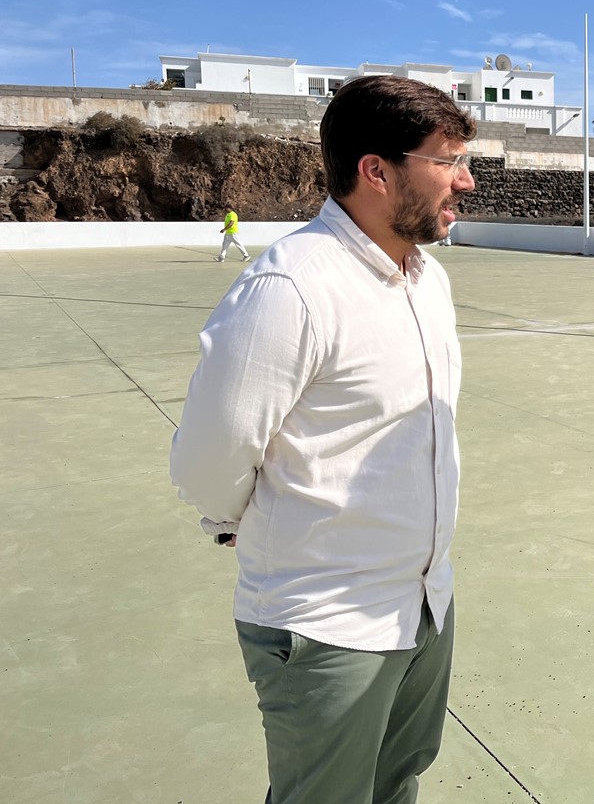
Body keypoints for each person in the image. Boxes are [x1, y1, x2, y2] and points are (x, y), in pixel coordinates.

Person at [170, 75, 477, 804]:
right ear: (375, 170)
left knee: (395, 784)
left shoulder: (426, 280)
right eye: (448, 159)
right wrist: (232, 524)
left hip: (424, 604)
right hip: (326, 624)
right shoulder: (291, 287)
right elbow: (208, 458)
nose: (466, 179)